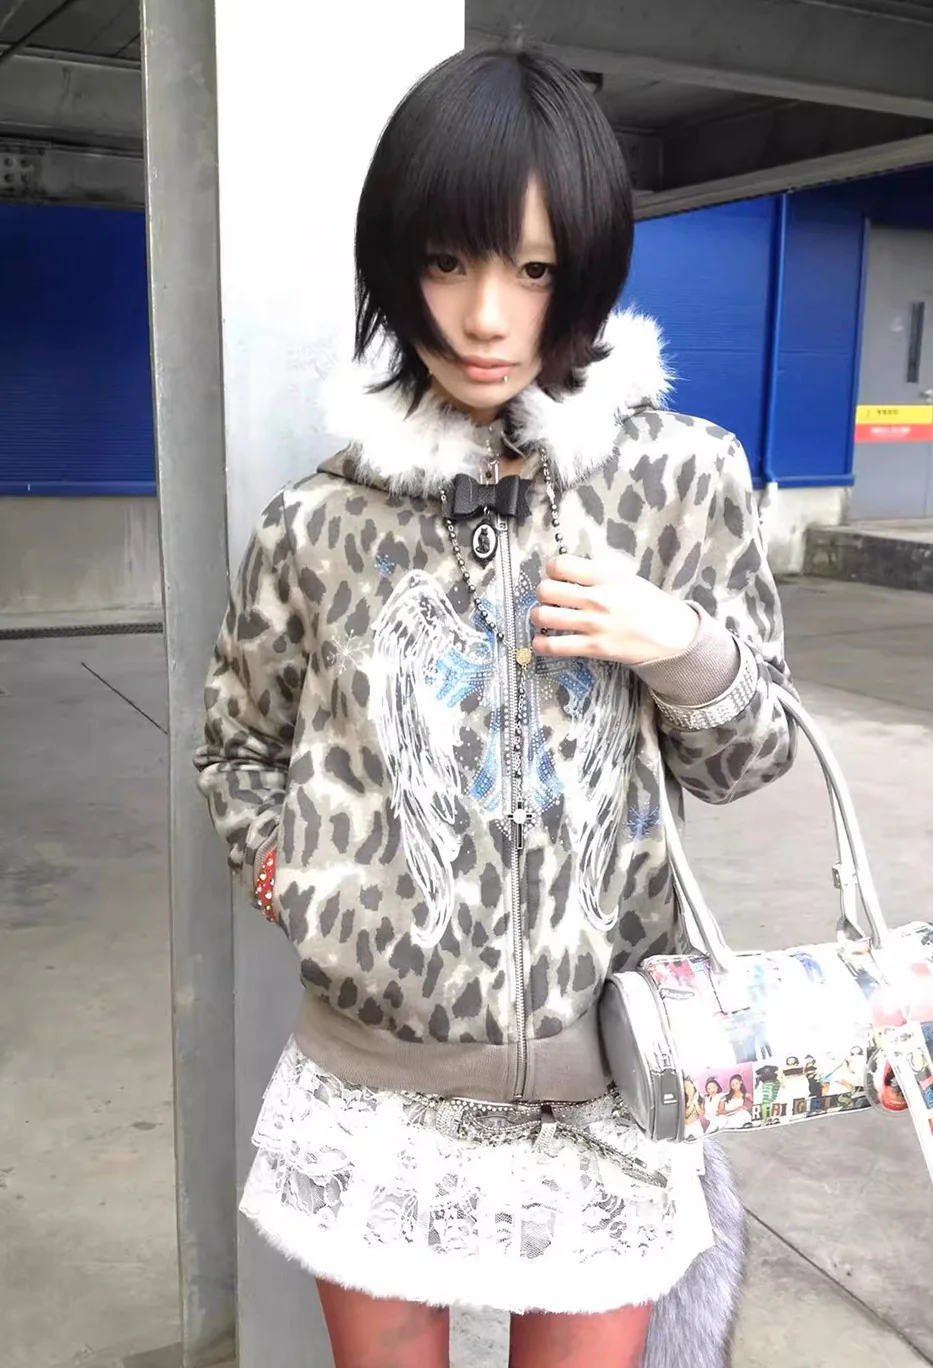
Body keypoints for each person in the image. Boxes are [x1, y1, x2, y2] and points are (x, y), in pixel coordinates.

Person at [195, 43, 797, 1368]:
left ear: (584, 269)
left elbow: (751, 754)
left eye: (531, 270)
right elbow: (238, 744)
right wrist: (296, 877)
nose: (483, 316)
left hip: (607, 1079)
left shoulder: (677, 480)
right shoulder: (320, 523)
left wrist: (677, 643)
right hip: (375, 1089)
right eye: (447, 261)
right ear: (394, 260)